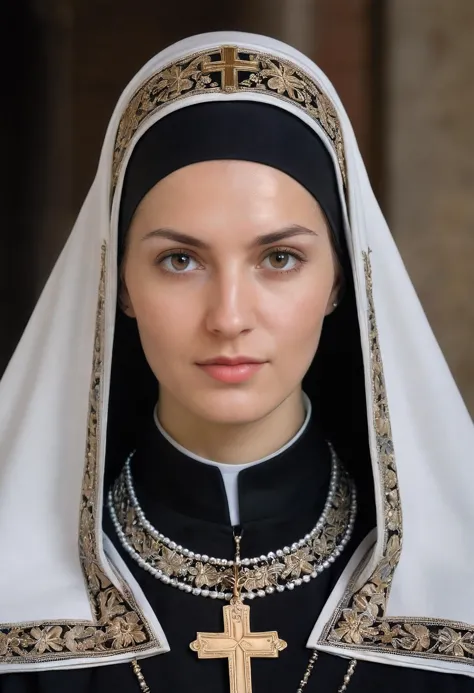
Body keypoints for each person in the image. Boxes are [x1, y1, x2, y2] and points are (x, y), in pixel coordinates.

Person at [0, 30, 473, 693]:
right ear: (120, 285)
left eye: (279, 259)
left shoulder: (455, 596)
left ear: (341, 280)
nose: (227, 316)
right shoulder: (16, 603)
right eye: (179, 259)